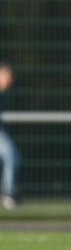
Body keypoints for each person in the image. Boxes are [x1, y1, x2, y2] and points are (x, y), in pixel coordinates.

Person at [0, 61, 20, 210]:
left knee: (13, 155)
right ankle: (8, 193)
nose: (11, 79)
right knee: (10, 154)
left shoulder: (6, 94)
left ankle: (9, 192)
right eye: (8, 75)